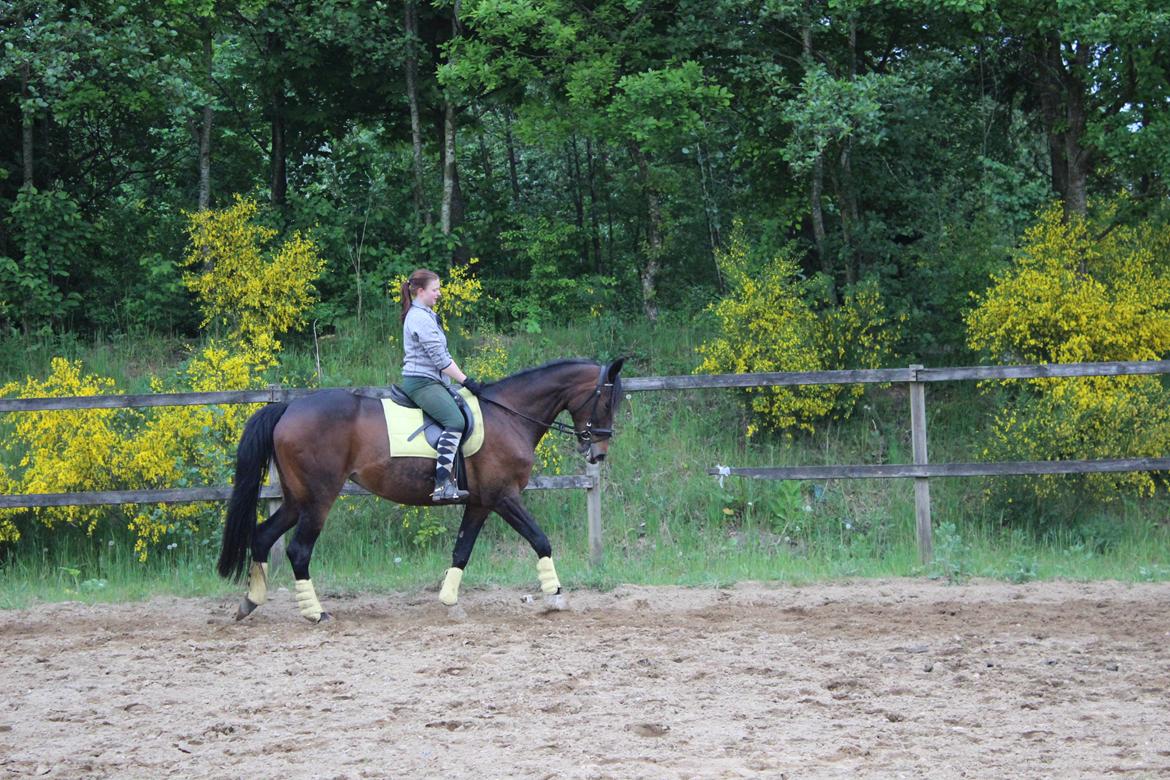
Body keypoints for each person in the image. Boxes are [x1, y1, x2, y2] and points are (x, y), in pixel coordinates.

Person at [400, 268, 483, 502]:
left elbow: (442, 356)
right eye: (435, 290)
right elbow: (441, 360)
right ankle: (442, 485)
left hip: (433, 381)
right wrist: (466, 381)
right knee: (454, 420)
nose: (439, 294)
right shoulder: (419, 318)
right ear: (420, 291)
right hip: (422, 383)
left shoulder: (426, 314)